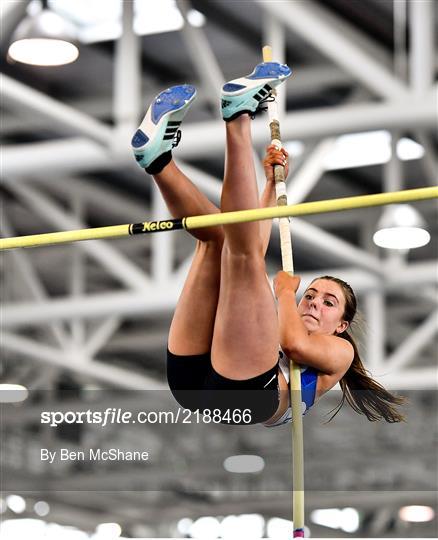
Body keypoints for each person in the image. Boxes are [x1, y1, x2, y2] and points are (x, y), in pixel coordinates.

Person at [132, 62, 405, 426]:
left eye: (328, 302)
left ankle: (239, 117)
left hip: (245, 396)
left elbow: (294, 345)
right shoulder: (275, 324)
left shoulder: (338, 351)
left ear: (342, 324)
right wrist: (270, 187)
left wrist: (283, 294)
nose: (313, 301)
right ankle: (159, 162)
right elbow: (250, 239)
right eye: (311, 294)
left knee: (242, 257)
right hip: (198, 382)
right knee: (214, 238)